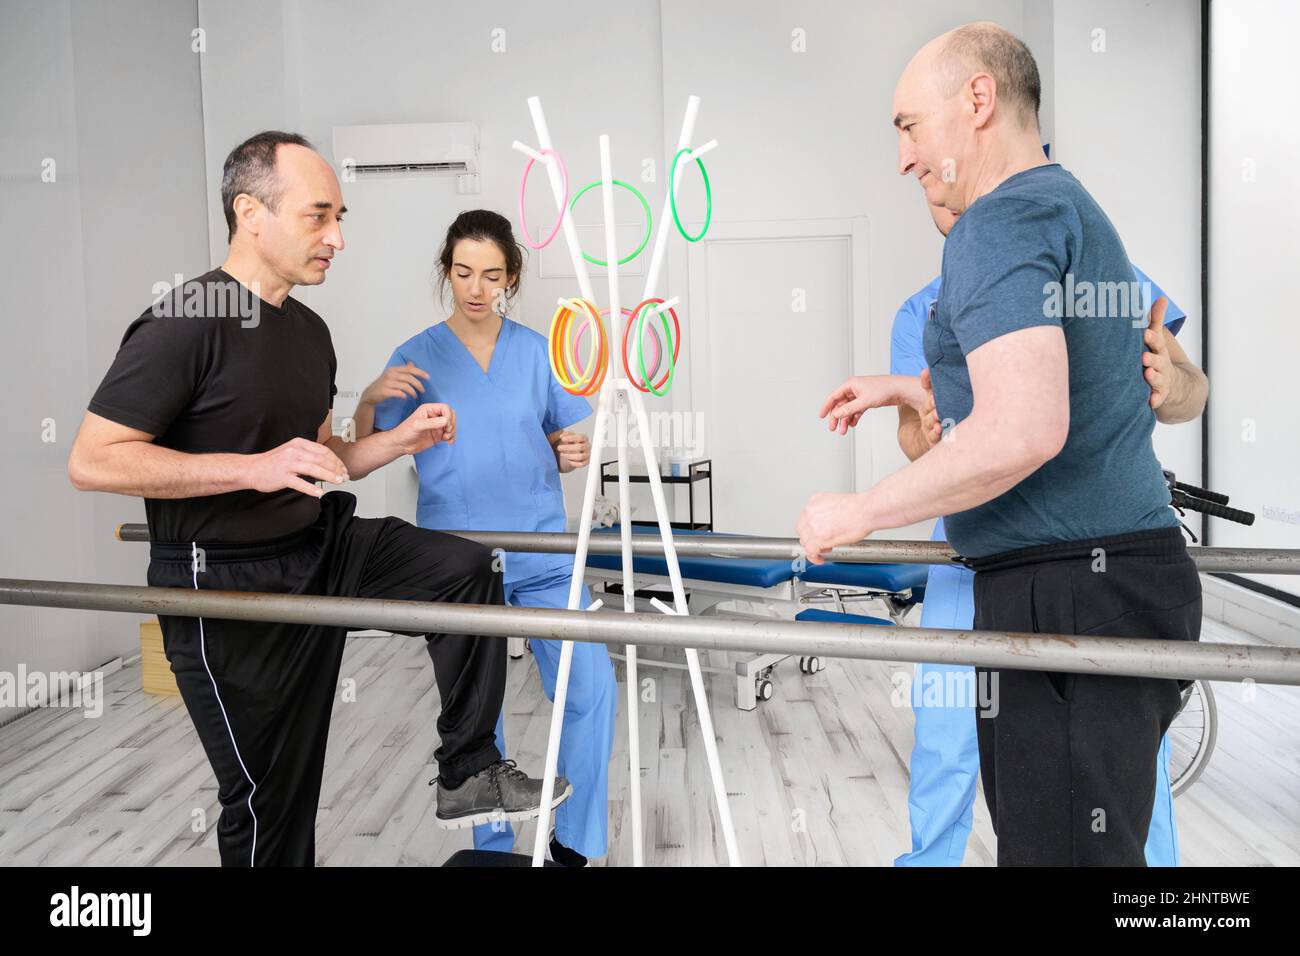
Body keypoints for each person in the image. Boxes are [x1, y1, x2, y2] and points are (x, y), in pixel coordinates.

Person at [67, 132, 567, 866]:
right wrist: (248, 469)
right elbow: (92, 460)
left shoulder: (308, 331)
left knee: (464, 570)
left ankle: (467, 769)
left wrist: (395, 444)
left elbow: (317, 462)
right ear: (251, 213)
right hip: (225, 588)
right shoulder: (186, 319)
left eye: (341, 218)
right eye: (318, 216)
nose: (337, 238)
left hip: (317, 543)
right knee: (273, 796)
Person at [798, 23, 1203, 865]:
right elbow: (1055, 386)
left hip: (1067, 587)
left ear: (977, 100)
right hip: (1115, 580)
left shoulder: (998, 221)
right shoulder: (1063, 204)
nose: (905, 158)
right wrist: (908, 388)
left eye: (908, 125)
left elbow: (1025, 426)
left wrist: (858, 512)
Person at [353, 210, 616, 867]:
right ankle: (493, 847)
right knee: (481, 717)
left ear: (512, 278)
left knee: (593, 687)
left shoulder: (536, 352)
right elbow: (363, 450)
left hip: (545, 555)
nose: (476, 287)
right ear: (448, 272)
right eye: (463, 272)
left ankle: (573, 842)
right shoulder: (414, 358)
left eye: (491, 275)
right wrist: (367, 396)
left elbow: (549, 438)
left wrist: (565, 448)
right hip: (463, 566)